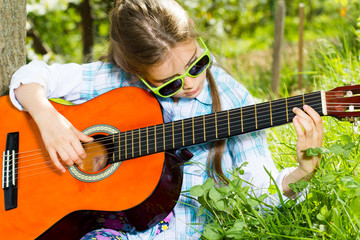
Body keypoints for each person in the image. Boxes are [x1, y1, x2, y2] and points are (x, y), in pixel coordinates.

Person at [9, 0, 323, 239]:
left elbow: (259, 194)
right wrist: (48, 119)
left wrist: (303, 171)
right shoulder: (115, 81)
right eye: (169, 83)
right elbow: (32, 76)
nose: (189, 84)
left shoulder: (231, 100)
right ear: (136, 73)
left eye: (197, 64)